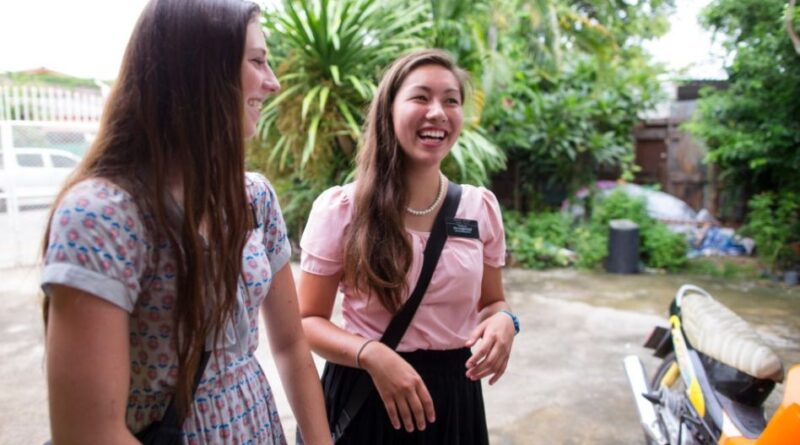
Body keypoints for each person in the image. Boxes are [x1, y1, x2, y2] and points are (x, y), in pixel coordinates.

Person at [40, 1, 332, 444]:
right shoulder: (102, 216)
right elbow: (88, 432)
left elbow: (291, 346)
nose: (272, 82)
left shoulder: (253, 198)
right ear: (200, 70)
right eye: (257, 61)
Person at [297, 49, 519, 444]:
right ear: (389, 111)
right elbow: (306, 321)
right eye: (420, 97)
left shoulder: (479, 208)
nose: (437, 112)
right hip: (369, 396)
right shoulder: (343, 209)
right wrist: (372, 354)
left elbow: (492, 302)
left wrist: (504, 320)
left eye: (451, 100)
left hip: (454, 404)